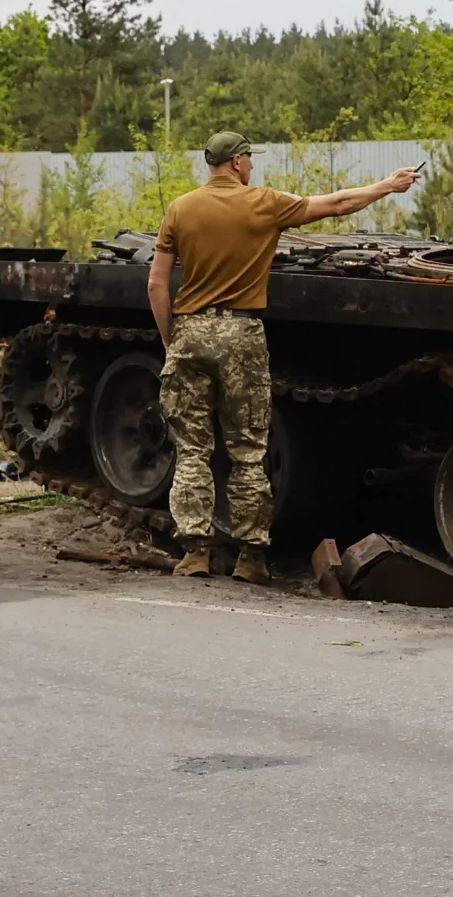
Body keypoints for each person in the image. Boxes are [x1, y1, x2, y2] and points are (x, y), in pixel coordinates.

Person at [148, 132, 419, 584]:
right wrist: (387, 186)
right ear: (235, 162)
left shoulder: (181, 208)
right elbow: (336, 204)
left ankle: (194, 553)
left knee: (193, 451)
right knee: (248, 452)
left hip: (190, 332)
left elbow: (157, 284)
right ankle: (251, 559)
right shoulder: (264, 203)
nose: (251, 165)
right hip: (240, 333)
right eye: (249, 158)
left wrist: (171, 341)